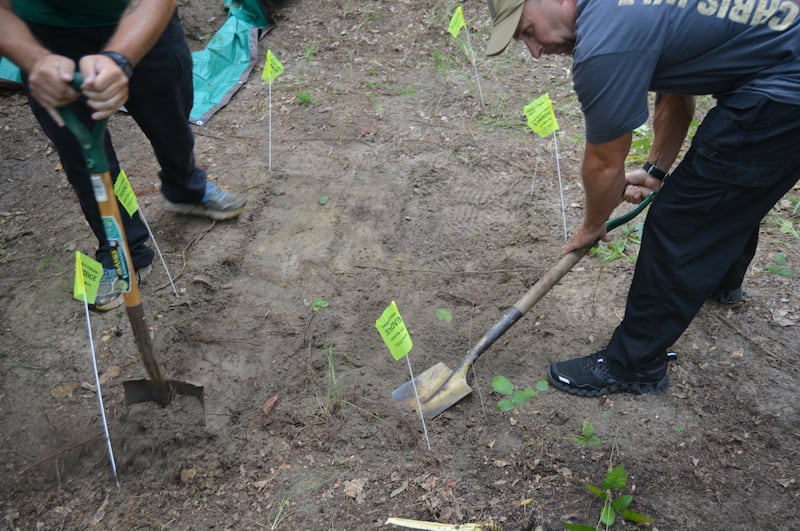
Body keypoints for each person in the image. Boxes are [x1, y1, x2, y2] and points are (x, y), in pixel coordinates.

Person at [485, 0, 799, 396]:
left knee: (683, 221)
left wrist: (592, 224)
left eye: (528, 31)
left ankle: (633, 363)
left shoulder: (604, 43)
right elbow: (678, 91)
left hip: (784, 91)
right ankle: (719, 281)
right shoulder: (628, 13)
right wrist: (655, 170)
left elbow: (603, 164)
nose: (534, 51)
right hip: (780, 69)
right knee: (729, 188)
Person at [0, 0, 247, 310]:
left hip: (146, 20)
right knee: (84, 157)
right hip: (47, 37)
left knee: (172, 126)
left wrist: (119, 58)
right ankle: (120, 250)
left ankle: (185, 187)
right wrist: (34, 59)